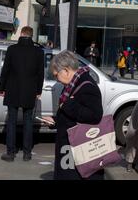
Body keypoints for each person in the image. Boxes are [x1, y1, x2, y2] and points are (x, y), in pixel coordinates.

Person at [43, 50, 104, 180]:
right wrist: (55, 121)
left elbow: (94, 116)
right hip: (69, 147)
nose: (56, 79)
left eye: (56, 75)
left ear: (65, 70)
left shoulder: (87, 86)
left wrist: (68, 104)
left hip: (77, 149)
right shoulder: (73, 83)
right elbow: (70, 114)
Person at [0, 26, 44, 162]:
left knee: (11, 122)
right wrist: (38, 90)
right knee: (28, 121)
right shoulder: (38, 52)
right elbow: (40, 74)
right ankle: (27, 153)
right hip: (30, 91)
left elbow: (5, 70)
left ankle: (10, 153)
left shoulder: (12, 49)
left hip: (12, 89)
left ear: (21, 34)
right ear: (31, 35)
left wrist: (2, 87)